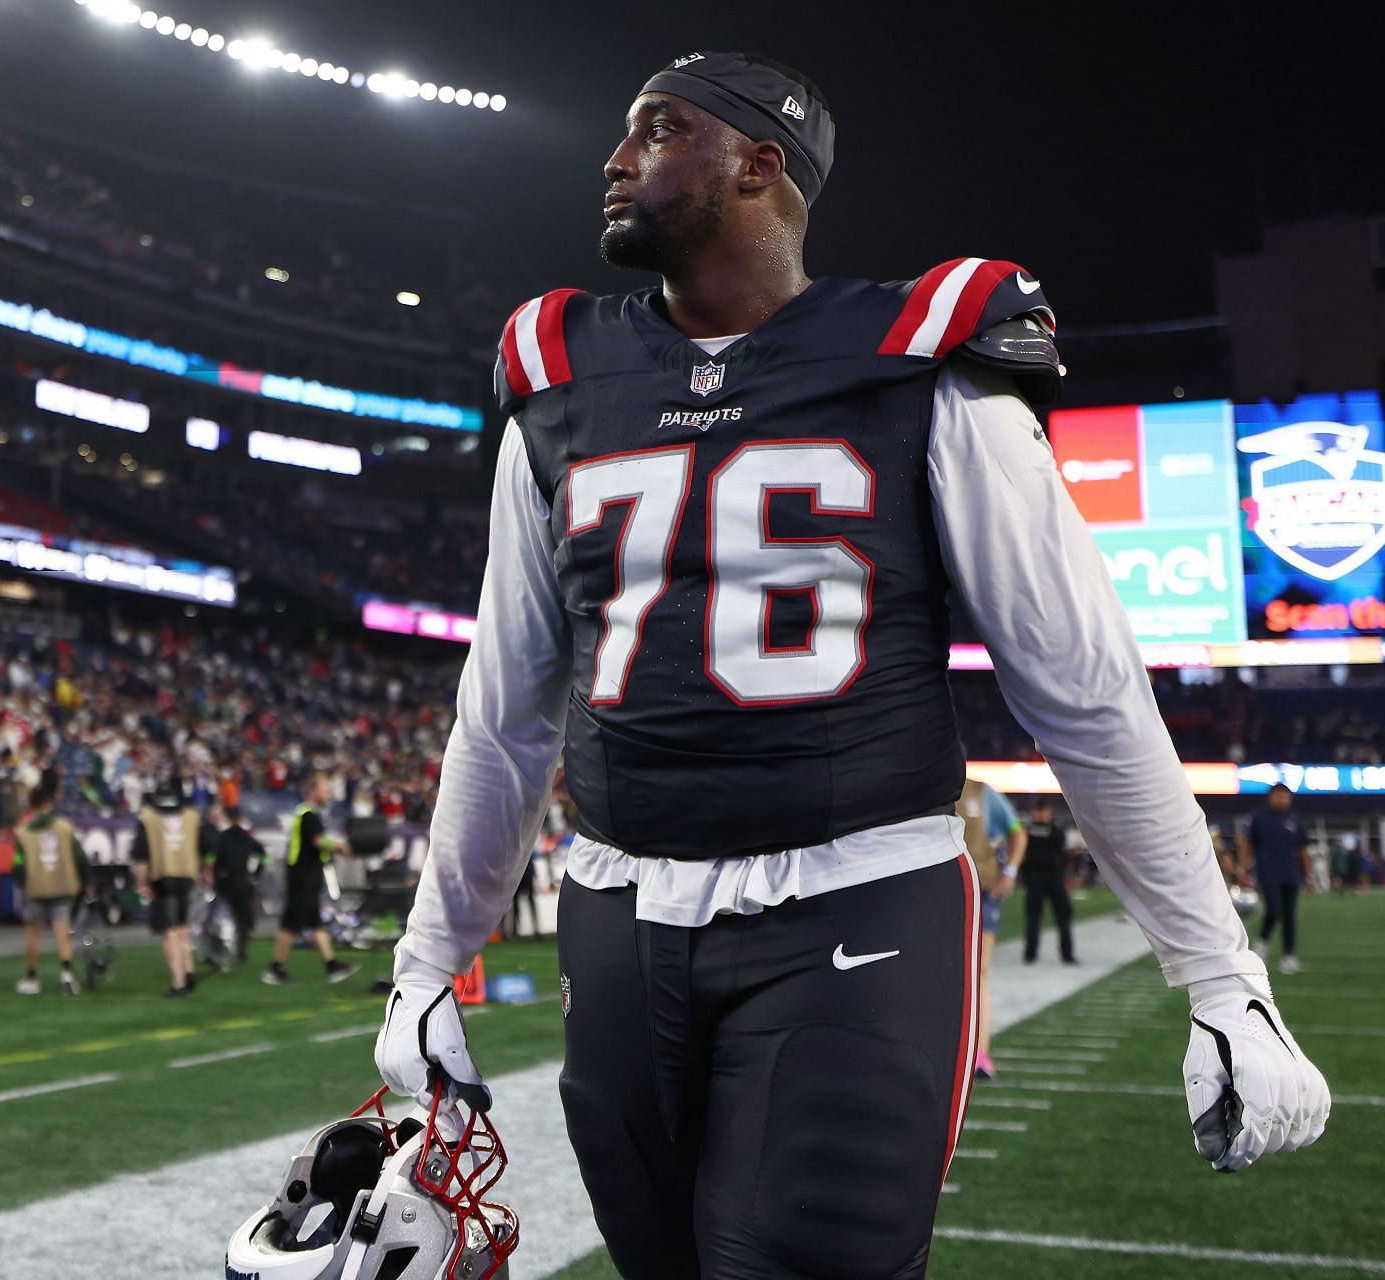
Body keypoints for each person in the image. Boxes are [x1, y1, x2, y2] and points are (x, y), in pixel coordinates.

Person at [371, 51, 1330, 1280]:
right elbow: (502, 713)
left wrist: (1221, 974)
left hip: (853, 906)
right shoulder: (560, 379)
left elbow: (1083, 691)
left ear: (761, 164)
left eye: (658, 131)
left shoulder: (927, 360)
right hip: (615, 919)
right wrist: (425, 960)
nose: (614, 161)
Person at [262, 777, 360, 986]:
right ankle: (275, 968)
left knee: (314, 922)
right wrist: (341, 846)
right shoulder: (308, 814)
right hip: (303, 876)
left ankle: (331, 965)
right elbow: (318, 841)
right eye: (325, 789)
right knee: (291, 922)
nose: (330, 794)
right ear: (313, 791)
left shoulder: (307, 814)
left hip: (306, 876)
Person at [961, 777, 1025, 1081]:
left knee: (979, 971)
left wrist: (1009, 871)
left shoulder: (980, 792)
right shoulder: (919, 785)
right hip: (937, 892)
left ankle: (979, 1054)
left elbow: (1017, 832)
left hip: (982, 891)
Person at [131, 782, 211, 996]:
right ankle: (189, 971)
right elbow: (206, 849)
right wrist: (206, 871)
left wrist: (141, 883)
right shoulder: (192, 816)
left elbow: (141, 857)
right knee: (182, 927)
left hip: (162, 878)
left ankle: (178, 983)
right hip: (186, 876)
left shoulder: (148, 818)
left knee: (169, 933)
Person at [11, 778, 86, 995]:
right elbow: (79, 857)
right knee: (63, 932)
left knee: (33, 934)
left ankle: (32, 979)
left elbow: (18, 865)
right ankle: (67, 976)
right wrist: (86, 881)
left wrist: (22, 884)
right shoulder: (64, 827)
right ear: (49, 804)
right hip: (61, 886)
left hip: (35, 888)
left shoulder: (23, 833)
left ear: (31, 805)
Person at [1240, 783, 1309, 975]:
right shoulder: (1258, 817)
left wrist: (1308, 875)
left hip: (1291, 873)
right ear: (1271, 797)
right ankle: (1262, 942)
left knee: (1289, 916)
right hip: (1268, 872)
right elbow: (1247, 842)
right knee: (1274, 910)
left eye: (1286, 796)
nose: (1283, 799)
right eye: (1279, 795)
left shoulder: (1294, 818)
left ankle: (1289, 957)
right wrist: (1244, 867)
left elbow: (1302, 849)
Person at [1022, 797, 1076, 966]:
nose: (1043, 815)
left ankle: (1066, 954)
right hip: (1039, 876)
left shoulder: (1028, 830)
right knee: (1034, 917)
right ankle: (1031, 954)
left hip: (1051, 876)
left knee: (1062, 916)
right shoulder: (1053, 830)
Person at [211, 803, 266, 963]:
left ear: (227, 818)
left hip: (225, 882)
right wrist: (256, 873)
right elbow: (263, 855)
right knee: (241, 917)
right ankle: (241, 951)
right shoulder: (247, 837)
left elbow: (211, 858)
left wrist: (214, 874)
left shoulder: (222, 837)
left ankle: (218, 949)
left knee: (220, 916)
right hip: (243, 881)